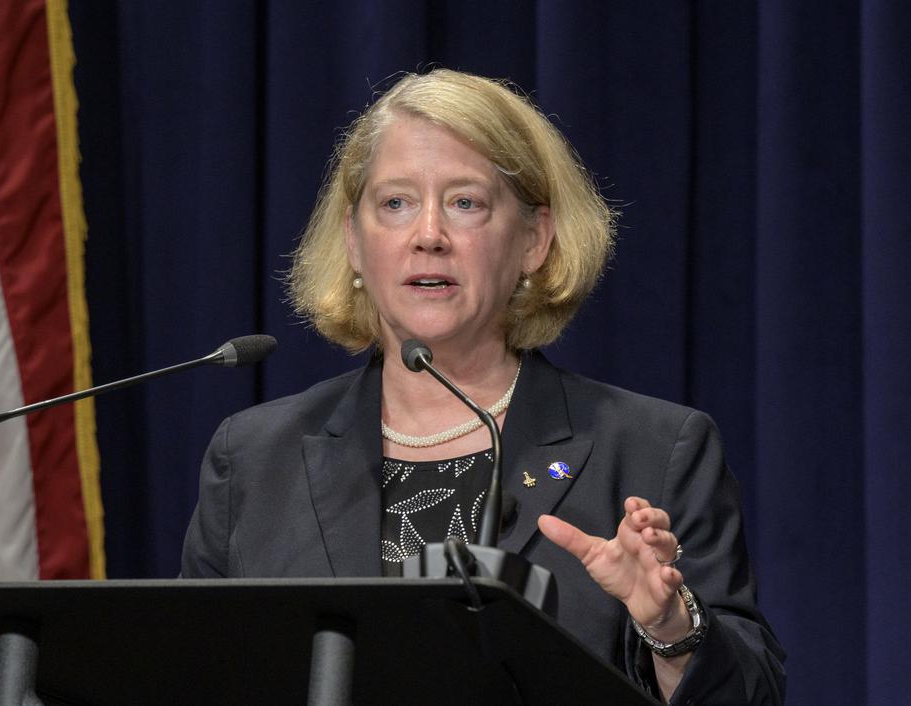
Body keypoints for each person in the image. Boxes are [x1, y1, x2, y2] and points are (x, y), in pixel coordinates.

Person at [181, 69, 785, 703]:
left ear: (533, 239)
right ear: (354, 241)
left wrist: (669, 626)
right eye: (395, 203)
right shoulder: (253, 460)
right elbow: (189, 679)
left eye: (466, 202)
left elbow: (753, 695)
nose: (429, 235)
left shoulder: (651, 450)